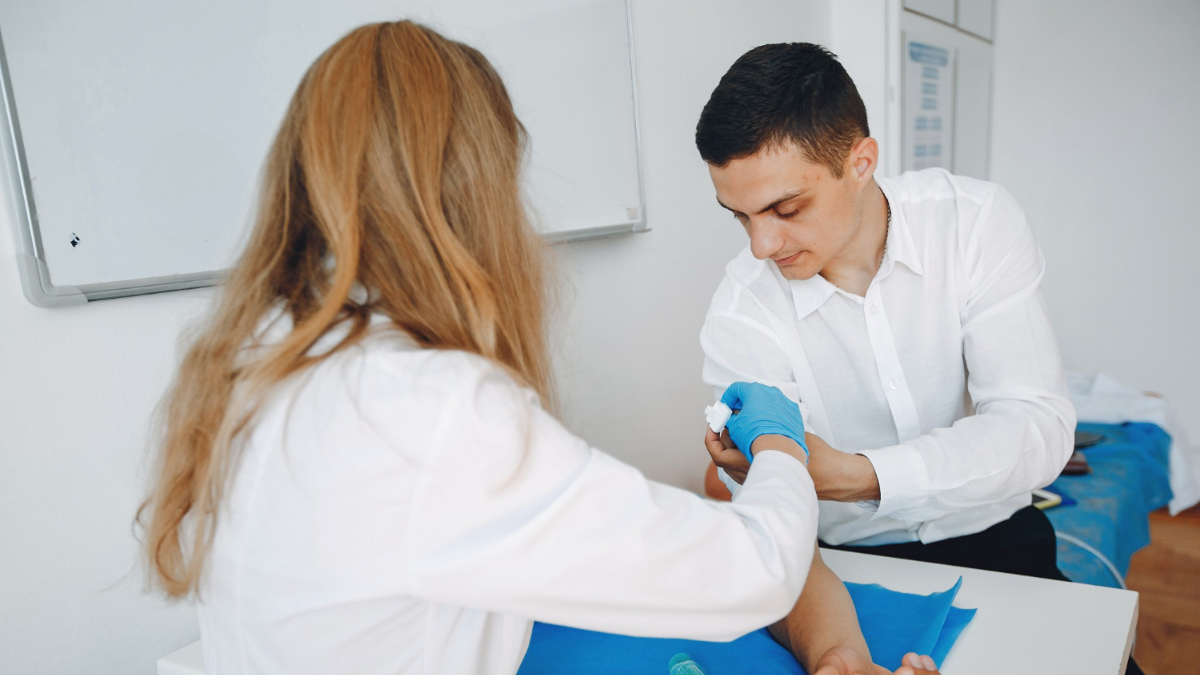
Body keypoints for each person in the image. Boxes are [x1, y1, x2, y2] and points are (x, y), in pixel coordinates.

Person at [136, 22, 938, 675]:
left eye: (785, 209)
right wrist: (782, 441)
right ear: (474, 191)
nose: (763, 246)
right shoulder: (431, 409)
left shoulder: (260, 362)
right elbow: (750, 566)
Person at [694, 41, 1144, 671]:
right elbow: (775, 525)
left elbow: (1037, 429)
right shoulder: (741, 310)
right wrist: (839, 655)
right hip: (842, 569)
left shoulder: (974, 223)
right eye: (739, 217)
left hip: (1001, 539)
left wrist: (860, 474)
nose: (763, 245)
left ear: (861, 161)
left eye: (785, 209)